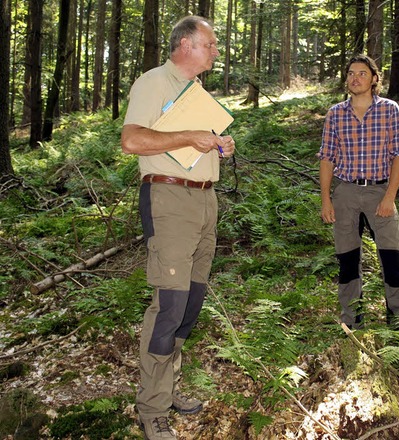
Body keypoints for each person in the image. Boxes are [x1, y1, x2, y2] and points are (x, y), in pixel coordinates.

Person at [121, 16, 235, 440]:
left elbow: (196, 143)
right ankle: (151, 408)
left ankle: (167, 391)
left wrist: (221, 144)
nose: (216, 50)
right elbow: (132, 140)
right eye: (211, 44)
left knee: (190, 304)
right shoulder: (154, 83)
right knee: (169, 304)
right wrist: (190, 135)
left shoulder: (198, 93)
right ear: (186, 44)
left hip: (204, 199)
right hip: (168, 199)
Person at [318, 54, 399, 330]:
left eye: (361, 73)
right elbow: (327, 158)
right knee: (347, 259)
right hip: (345, 192)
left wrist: (390, 197)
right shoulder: (336, 113)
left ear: (374, 79)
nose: (354, 78)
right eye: (350, 74)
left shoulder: (389, 110)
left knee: (391, 256)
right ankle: (352, 320)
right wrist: (325, 199)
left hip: (380, 190)